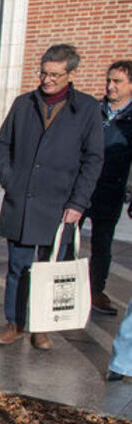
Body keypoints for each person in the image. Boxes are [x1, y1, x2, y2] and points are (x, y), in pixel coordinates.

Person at [0, 44, 103, 350]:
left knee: (50, 269)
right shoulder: (23, 104)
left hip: (60, 205)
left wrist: (78, 203)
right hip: (22, 201)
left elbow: (93, 160)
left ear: (71, 74)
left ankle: (42, 327)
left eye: (55, 74)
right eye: (43, 72)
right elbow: (2, 143)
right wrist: (9, 178)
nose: (47, 79)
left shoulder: (88, 109)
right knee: (18, 267)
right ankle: (15, 322)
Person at [83, 61, 132, 317]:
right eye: (109, 80)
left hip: (110, 191)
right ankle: (65, 289)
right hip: (81, 187)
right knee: (66, 241)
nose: (110, 86)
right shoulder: (93, 110)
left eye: (118, 81)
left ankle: (95, 291)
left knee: (102, 245)